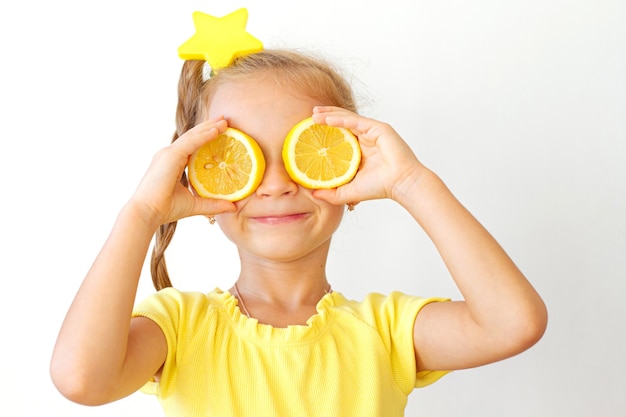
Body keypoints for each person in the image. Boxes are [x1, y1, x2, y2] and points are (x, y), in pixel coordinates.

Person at [50, 13, 547, 417]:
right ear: (198, 176)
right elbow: (81, 380)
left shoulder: (383, 330)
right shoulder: (178, 326)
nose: (276, 183)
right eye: (243, 159)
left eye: (300, 155)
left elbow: (513, 324)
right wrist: (140, 214)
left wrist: (412, 183)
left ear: (349, 171)